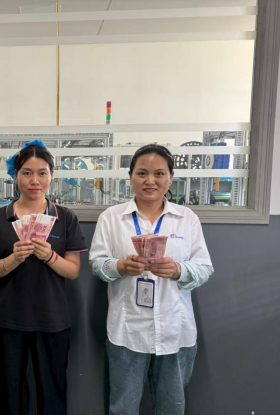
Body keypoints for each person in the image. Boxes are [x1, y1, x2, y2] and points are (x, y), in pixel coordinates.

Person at [89, 144, 214, 415]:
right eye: (142, 173)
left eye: (159, 174)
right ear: (131, 176)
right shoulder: (111, 218)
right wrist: (121, 266)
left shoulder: (186, 219)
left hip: (174, 329)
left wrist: (178, 270)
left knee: (172, 408)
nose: (150, 181)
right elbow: (97, 264)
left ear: (170, 178)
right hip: (127, 329)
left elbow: (204, 268)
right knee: (123, 408)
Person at [0, 141, 88, 415]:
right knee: (9, 396)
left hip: (52, 320)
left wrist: (50, 256)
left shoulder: (65, 217)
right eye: (27, 173)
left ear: (52, 175)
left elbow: (73, 270)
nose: (34, 181)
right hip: (8, 320)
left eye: (42, 173)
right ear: (16, 175)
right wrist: (12, 259)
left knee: (52, 396)